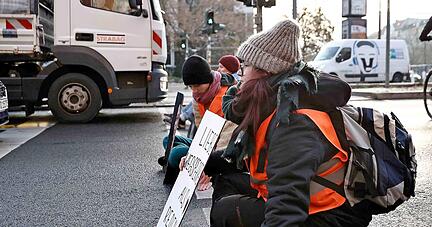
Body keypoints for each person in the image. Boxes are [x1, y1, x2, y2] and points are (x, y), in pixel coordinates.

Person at [209, 19, 373, 227]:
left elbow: (286, 207)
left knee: (225, 212)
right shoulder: (276, 103)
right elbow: (251, 155)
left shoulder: (293, 121)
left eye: (246, 66)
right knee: (227, 180)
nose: (240, 75)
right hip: (311, 201)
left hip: (331, 216)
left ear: (265, 71)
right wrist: (204, 162)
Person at [161, 55, 237, 187]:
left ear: (208, 81)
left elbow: (227, 139)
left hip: (221, 150)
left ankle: (180, 158)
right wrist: (195, 151)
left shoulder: (228, 96)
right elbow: (201, 128)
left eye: (197, 85)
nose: (194, 91)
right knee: (167, 140)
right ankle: (182, 157)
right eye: (191, 86)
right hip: (206, 144)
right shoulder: (198, 98)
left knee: (175, 154)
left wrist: (210, 166)